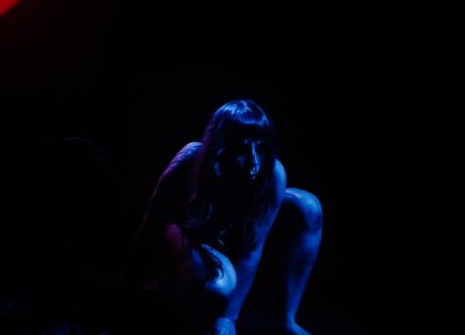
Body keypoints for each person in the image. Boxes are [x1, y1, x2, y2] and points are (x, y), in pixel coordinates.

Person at [124, 100, 323, 335]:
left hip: (235, 234)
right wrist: (131, 276)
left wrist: (229, 318)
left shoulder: (272, 172)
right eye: (242, 150)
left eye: (260, 148)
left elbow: (253, 248)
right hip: (195, 235)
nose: (254, 163)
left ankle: (286, 320)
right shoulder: (191, 159)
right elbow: (154, 217)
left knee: (308, 206)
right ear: (222, 148)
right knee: (219, 287)